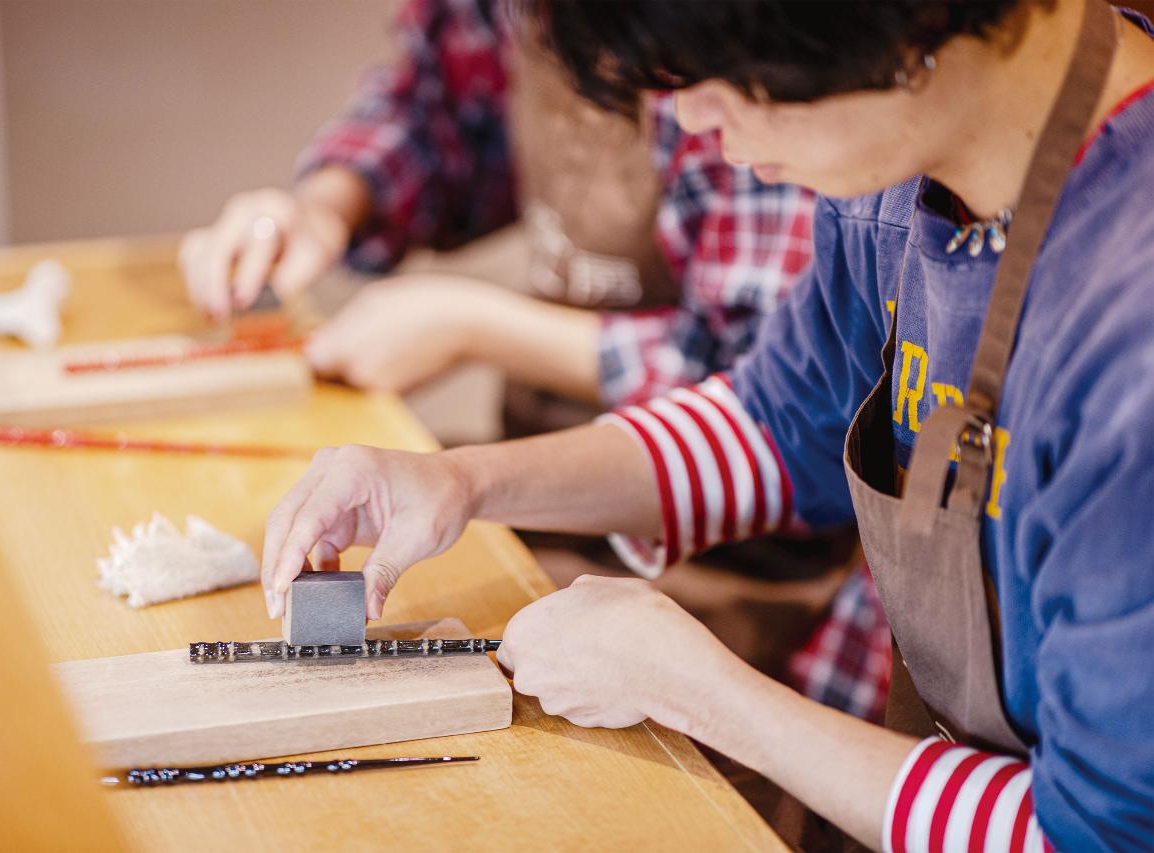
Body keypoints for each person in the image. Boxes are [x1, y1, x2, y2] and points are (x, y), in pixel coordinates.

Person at [259, 0, 1154, 848]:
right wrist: (464, 481)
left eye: (721, 79)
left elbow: (1092, 835)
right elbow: (774, 419)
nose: (692, 123)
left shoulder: (1129, 337)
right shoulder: (901, 168)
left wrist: (705, 691)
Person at [179, 0, 888, 720]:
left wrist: (475, 328)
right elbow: (772, 415)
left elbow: (785, 405)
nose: (702, 117)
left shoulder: (792, 120)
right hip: (573, 479)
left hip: (749, 561)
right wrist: (328, 204)